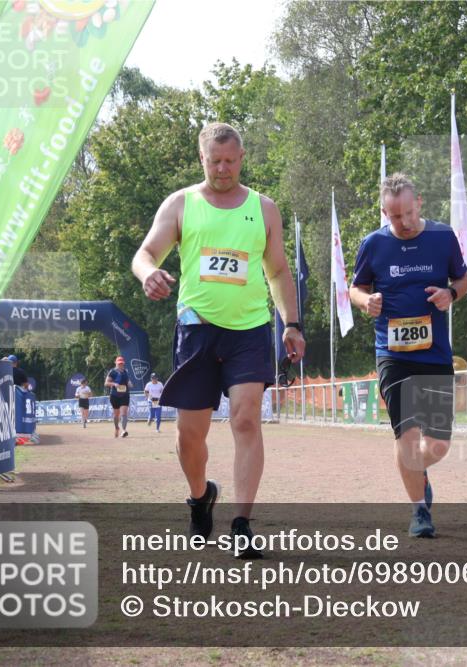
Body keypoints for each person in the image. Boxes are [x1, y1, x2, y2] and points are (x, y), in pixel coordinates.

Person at [131, 122, 305, 559]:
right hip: (197, 330)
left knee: (246, 420)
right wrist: (148, 273)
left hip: (249, 330)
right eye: (214, 161)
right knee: (190, 434)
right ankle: (200, 495)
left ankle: (242, 524)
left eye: (230, 161)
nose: (223, 169)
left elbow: (278, 270)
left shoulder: (264, 209)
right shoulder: (181, 204)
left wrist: (292, 323)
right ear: (202, 159)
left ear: (242, 158)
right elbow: (145, 253)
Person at [349, 173, 467, 538]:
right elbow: (355, 288)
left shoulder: (442, 237)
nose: (402, 222)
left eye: (407, 213)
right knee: (407, 435)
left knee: (438, 445)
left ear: (419, 203)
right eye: (394, 216)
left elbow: (463, 280)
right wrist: (365, 301)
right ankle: (419, 511)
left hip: (434, 355)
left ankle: (418, 472)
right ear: (384, 212)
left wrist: (451, 294)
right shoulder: (374, 244)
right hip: (393, 354)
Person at [105, 356, 132, 438]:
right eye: (119, 363)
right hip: (114, 395)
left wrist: (130, 384)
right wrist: (114, 384)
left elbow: (128, 381)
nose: (120, 365)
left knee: (124, 413)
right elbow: (106, 383)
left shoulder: (125, 371)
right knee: (116, 414)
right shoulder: (112, 372)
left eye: (122, 363)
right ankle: (117, 428)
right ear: (116, 363)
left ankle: (124, 430)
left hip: (125, 395)